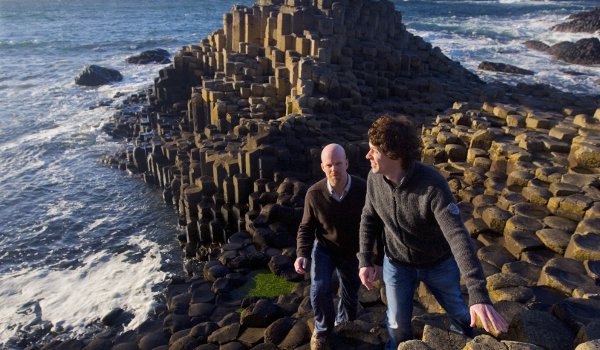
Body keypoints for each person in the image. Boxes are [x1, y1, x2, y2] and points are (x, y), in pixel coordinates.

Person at [357, 115, 508, 349]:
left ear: (394, 155)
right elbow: (369, 217)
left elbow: (457, 235)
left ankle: (467, 342)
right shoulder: (373, 179)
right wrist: (366, 259)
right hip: (397, 263)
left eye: (374, 151)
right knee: (396, 325)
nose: (367, 156)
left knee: (461, 313)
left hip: (438, 263)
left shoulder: (432, 185)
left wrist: (478, 294)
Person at [294, 143, 368, 350]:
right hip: (325, 247)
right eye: (329, 165)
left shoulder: (363, 189)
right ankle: (323, 329)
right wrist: (302, 254)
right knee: (319, 288)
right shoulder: (314, 193)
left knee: (350, 291)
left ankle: (343, 324)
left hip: (353, 249)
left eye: (338, 163)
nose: (334, 169)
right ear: (322, 167)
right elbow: (306, 227)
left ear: (346, 163)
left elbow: (374, 224)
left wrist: (373, 259)